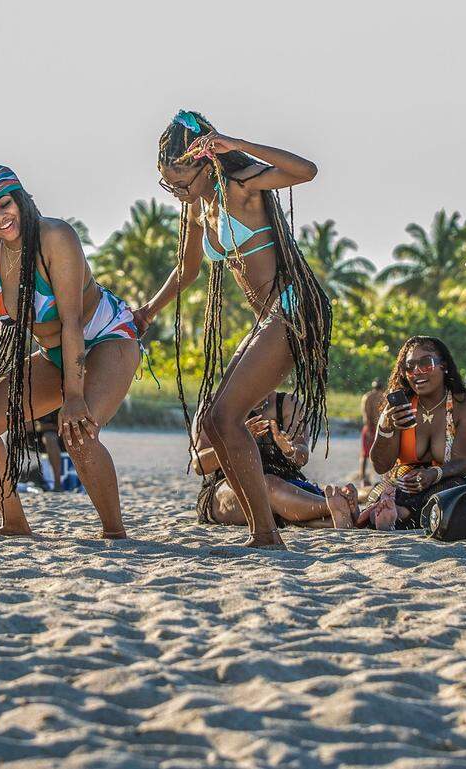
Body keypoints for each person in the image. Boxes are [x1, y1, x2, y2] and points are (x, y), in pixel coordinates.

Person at [136, 110, 330, 550]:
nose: (178, 192)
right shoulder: (198, 207)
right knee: (215, 419)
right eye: (170, 185)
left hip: (295, 309)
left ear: (207, 163)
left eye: (182, 182)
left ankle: (265, 535)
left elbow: (307, 171)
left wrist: (232, 143)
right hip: (270, 317)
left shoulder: (242, 186)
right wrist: (147, 312)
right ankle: (264, 531)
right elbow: (185, 270)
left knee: (225, 416)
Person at [0, 165, 141, 537]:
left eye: (5, 204)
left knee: (78, 431)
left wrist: (75, 396)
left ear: (20, 199)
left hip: (106, 337)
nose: (0, 217)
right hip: (54, 354)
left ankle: (115, 533)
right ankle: (14, 522)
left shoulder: (55, 236)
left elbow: (70, 321)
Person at [366, 337, 466, 530]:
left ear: (444, 366)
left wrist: (435, 473)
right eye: (409, 366)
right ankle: (398, 512)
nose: (417, 372)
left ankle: (400, 514)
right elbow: (381, 466)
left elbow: (464, 462)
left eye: (426, 363)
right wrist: (385, 429)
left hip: (450, 480)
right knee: (382, 491)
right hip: (404, 484)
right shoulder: (399, 408)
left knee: (451, 493)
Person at [195, 390, 356, 529]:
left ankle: (333, 516)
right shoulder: (214, 404)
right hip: (225, 490)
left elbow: (301, 458)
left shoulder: (287, 404)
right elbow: (199, 465)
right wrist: (234, 443)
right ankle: (334, 506)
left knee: (277, 493)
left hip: (285, 488)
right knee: (265, 485)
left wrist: (289, 449)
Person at [359, 380, 385, 485]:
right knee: (381, 454)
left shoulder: (367, 397)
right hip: (378, 428)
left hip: (369, 428)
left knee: (365, 454)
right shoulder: (383, 397)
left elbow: (365, 415)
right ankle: (382, 478)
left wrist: (368, 428)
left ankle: (363, 477)